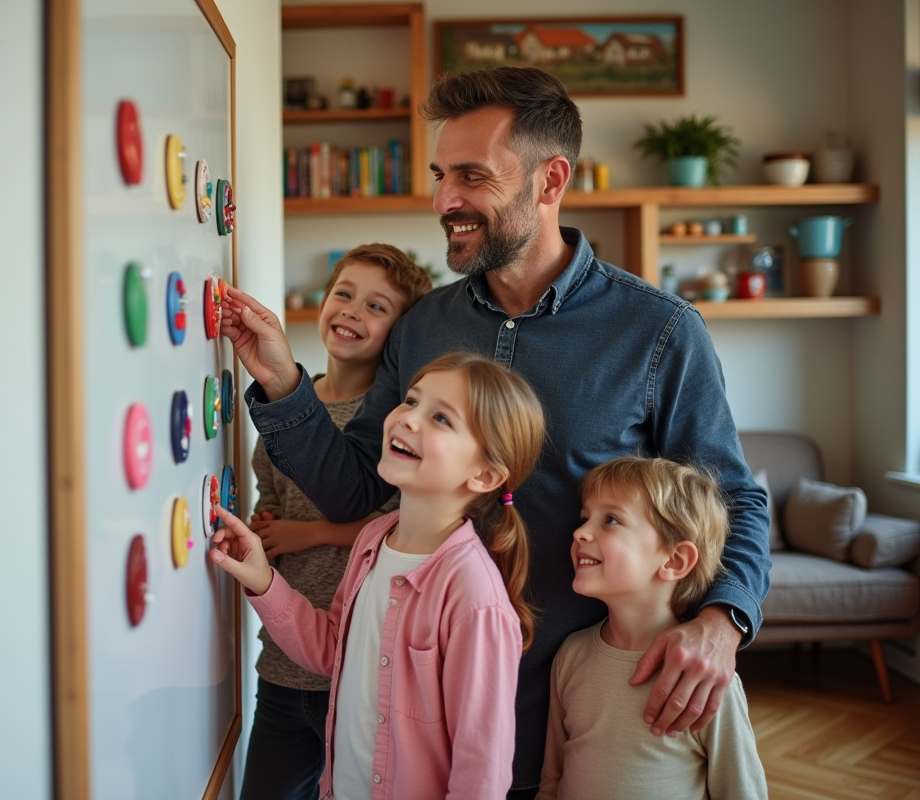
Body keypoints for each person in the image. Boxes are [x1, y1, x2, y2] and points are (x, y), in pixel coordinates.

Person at [221, 66, 772, 799]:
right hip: (415, 723)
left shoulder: (659, 331)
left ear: (551, 181)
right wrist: (283, 381)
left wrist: (724, 621)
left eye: (472, 176)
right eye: (440, 175)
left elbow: (733, 498)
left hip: (581, 714)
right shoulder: (422, 326)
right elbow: (356, 487)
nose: (444, 200)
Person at [212, 352, 545, 800]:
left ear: (485, 475)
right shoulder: (374, 538)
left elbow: (480, 774)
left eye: (441, 418)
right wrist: (263, 580)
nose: (408, 418)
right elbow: (334, 650)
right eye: (411, 400)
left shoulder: (475, 598)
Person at [241, 244, 432, 800]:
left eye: (376, 306)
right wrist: (266, 525)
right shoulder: (283, 410)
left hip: (359, 672)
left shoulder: (398, 422)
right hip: (282, 665)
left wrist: (313, 533)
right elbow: (272, 496)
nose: (352, 310)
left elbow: (403, 521)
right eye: (344, 294)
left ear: (399, 334)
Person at [537, 457, 768, 800]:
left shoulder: (704, 679)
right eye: (585, 518)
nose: (579, 532)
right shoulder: (570, 655)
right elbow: (551, 781)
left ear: (675, 560)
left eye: (611, 520)